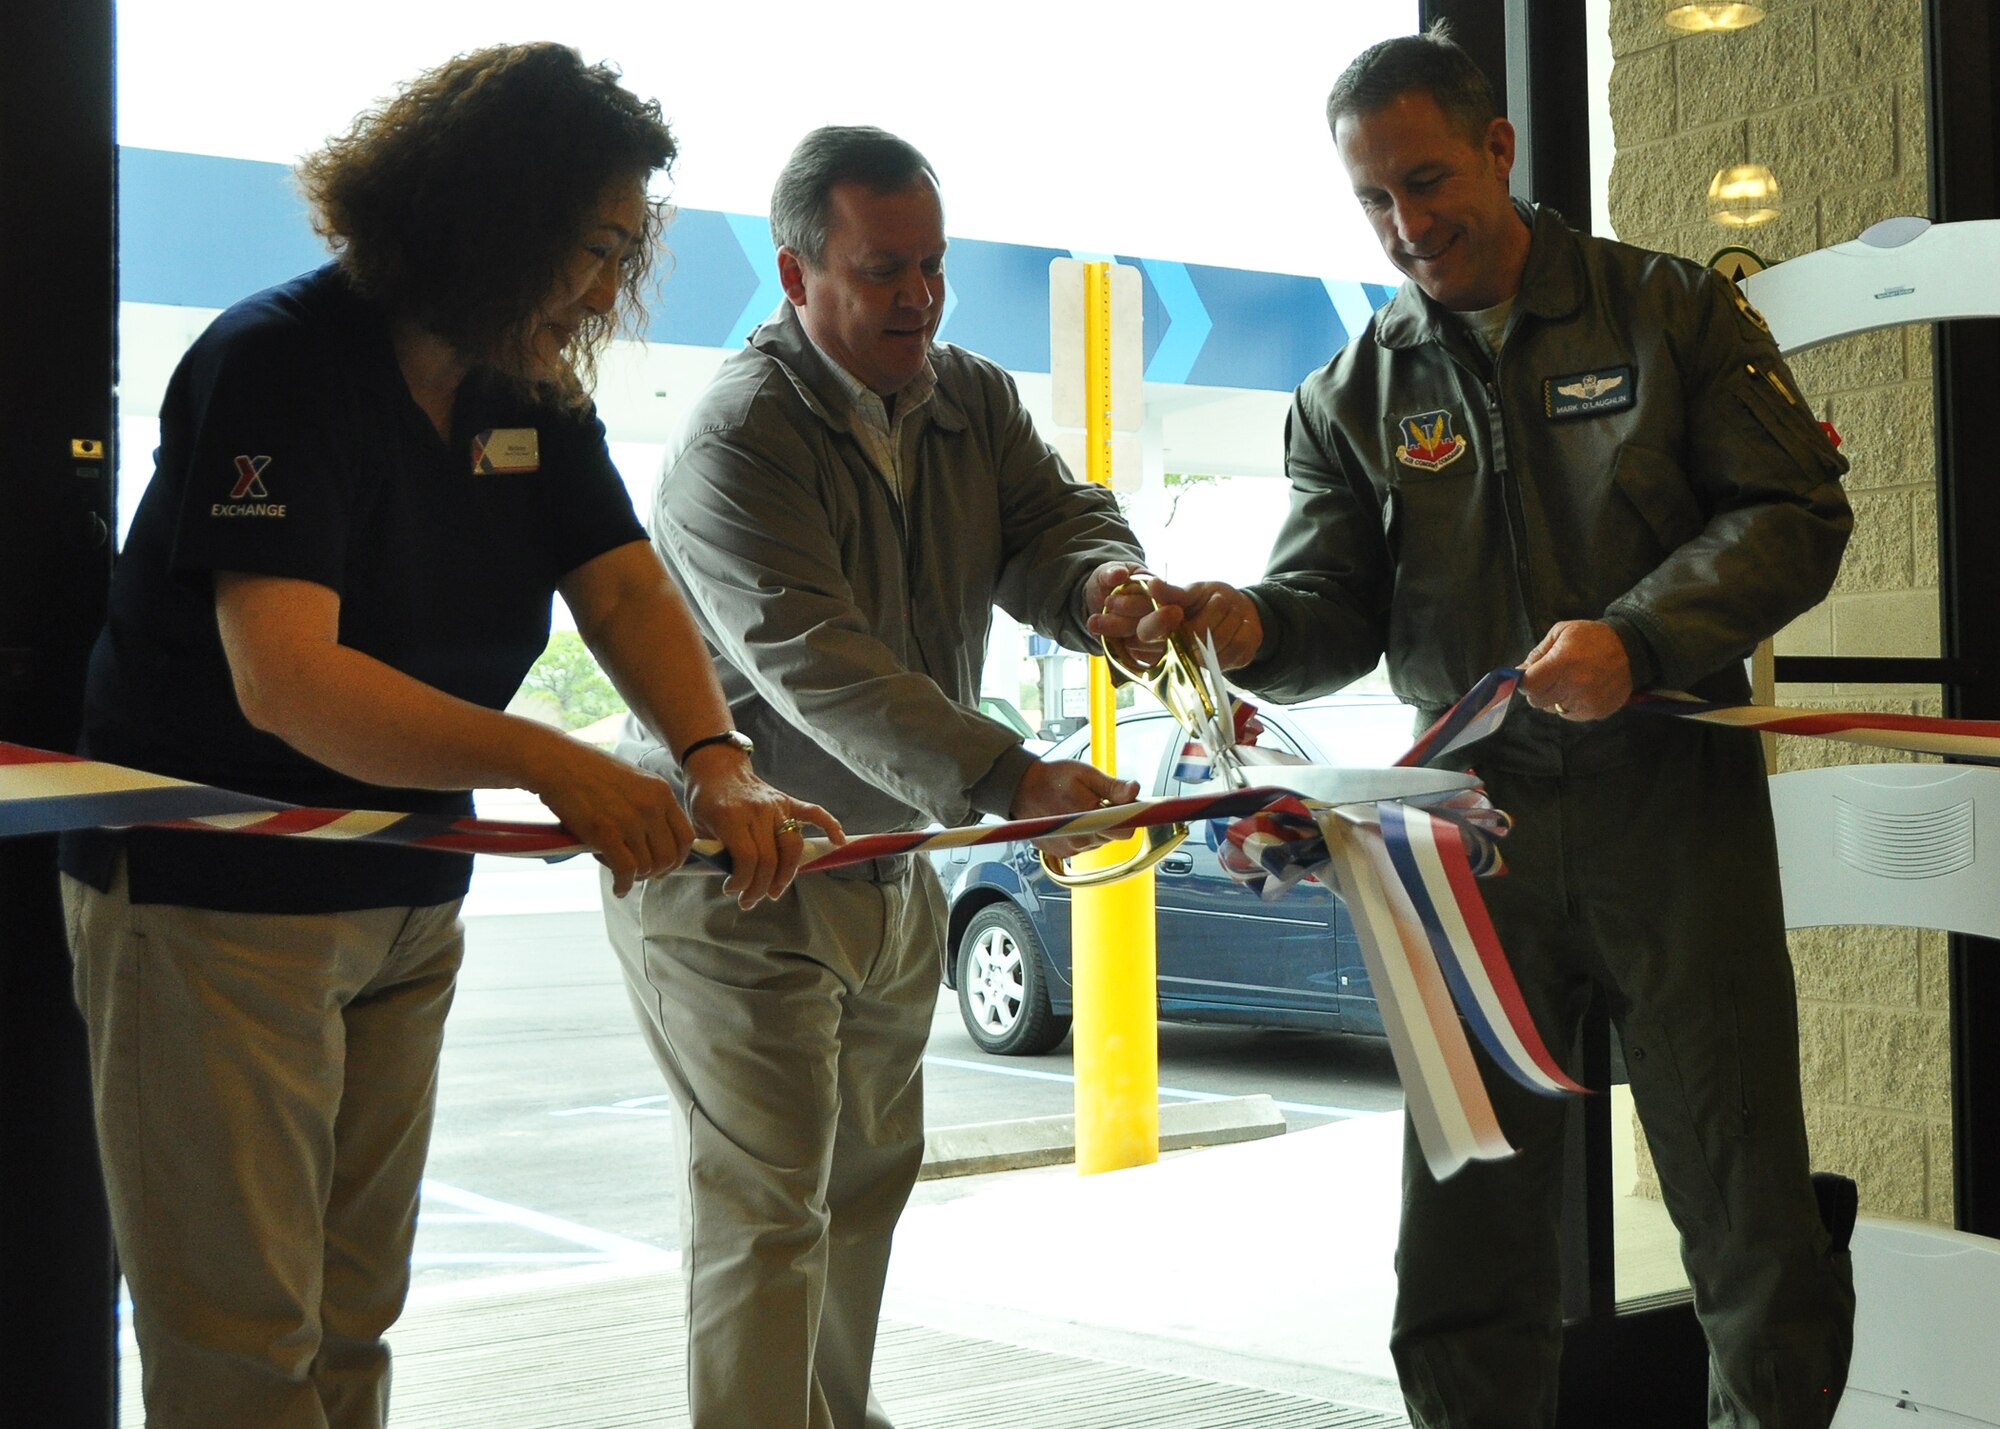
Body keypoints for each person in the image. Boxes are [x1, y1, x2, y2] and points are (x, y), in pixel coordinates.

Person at [59, 44, 835, 1429]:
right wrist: (551, 759)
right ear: (495, 218)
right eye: (595, 248)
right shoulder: (276, 364)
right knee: (242, 1341)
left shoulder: (524, 390)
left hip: (407, 892)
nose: (605, 290)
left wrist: (715, 760)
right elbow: (287, 680)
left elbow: (622, 585)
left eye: (626, 252)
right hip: (216, 904)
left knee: (355, 1313)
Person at [1129, 27, 1857, 1428]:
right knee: (1465, 1230)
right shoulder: (1351, 391)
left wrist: (1637, 636)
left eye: (1427, 181)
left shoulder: (1669, 312)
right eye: (1372, 200)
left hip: (1672, 814)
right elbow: (1330, 609)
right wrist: (1247, 625)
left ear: (1500, 149)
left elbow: (1796, 513)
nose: (1407, 225)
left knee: (1747, 1207)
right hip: (1469, 846)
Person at [598, 125, 1158, 1429]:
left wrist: (1105, 587)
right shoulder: (738, 436)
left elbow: (1054, 524)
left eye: (933, 265)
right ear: (797, 276)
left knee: (861, 1190)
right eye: (883, 270)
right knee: (768, 1207)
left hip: (892, 861)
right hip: (732, 874)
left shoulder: (971, 397)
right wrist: (1010, 777)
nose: (920, 297)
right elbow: (819, 661)